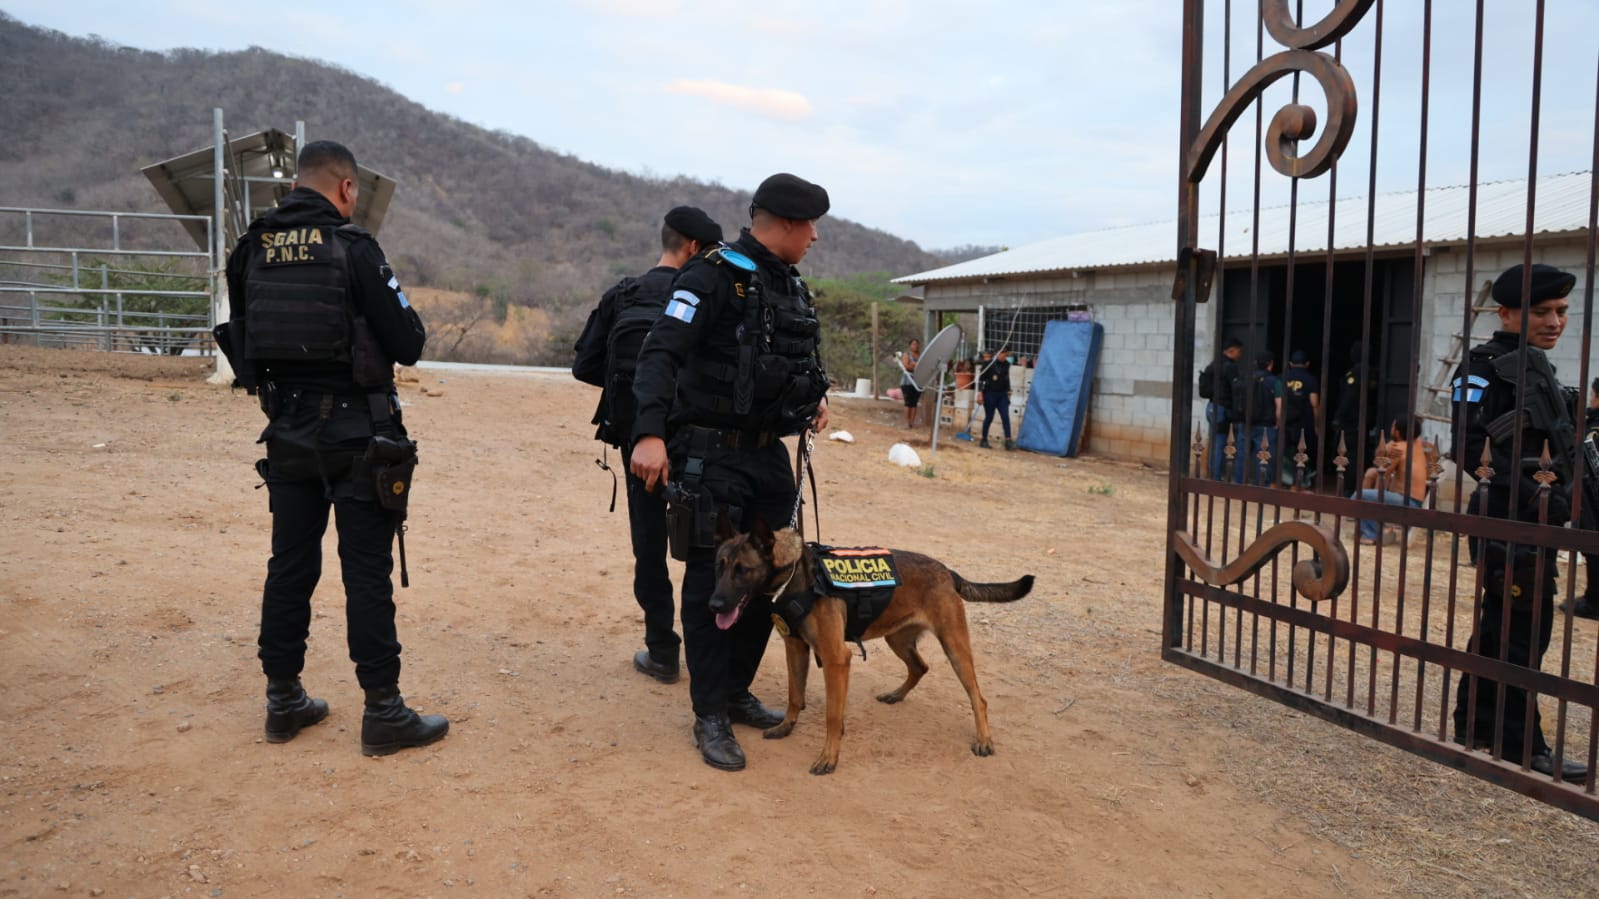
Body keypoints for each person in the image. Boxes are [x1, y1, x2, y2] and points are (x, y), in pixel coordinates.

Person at [219, 140, 447, 756]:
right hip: (357, 435)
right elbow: (409, 342)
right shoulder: (354, 249)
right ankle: (384, 712)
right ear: (346, 189)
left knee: (289, 564)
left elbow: (244, 343)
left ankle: (283, 701)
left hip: (288, 431)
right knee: (364, 571)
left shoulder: (250, 251)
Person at [629, 173, 832, 771]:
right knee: (709, 582)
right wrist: (648, 433)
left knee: (772, 574)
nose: (816, 236)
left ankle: (737, 689)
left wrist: (812, 399)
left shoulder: (786, 285)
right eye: (812, 226)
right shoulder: (712, 275)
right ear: (789, 224)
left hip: (768, 456)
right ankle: (710, 712)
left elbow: (784, 360)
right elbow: (659, 352)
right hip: (711, 455)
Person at [571, 206, 724, 683]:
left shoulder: (624, 294)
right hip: (698, 441)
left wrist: (636, 399)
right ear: (696, 249)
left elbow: (584, 366)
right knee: (710, 549)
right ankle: (712, 659)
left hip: (638, 441)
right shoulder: (705, 296)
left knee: (650, 548)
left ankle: (661, 652)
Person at [1450, 262, 1587, 780]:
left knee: (1499, 627)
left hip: (1533, 517)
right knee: (1523, 633)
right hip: (1508, 517)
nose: (1555, 321)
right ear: (1507, 313)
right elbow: (1469, 445)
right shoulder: (1484, 368)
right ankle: (1521, 746)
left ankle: (1476, 726)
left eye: (1562, 312)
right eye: (1542, 311)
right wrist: (1535, 494)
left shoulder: (1537, 365)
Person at [1349, 418, 1435, 545]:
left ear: (1398, 432)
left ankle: (1374, 534)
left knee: (1358, 495)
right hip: (1415, 502)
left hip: (1407, 502)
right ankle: (1379, 529)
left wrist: (1386, 450)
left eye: (1393, 426)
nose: (1391, 428)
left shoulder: (1398, 449)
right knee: (1370, 494)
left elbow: (1384, 473)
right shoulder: (1416, 443)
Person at [1562, 377, 1599, 620]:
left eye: (1593, 396)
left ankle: (1594, 602)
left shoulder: (1593, 426)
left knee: (1593, 547)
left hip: (1593, 495)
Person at [1233, 351, 1284, 485]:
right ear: (1271, 364)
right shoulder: (1275, 382)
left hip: (1245, 422)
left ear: (1255, 363)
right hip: (1266, 425)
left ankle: (1239, 484)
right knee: (1263, 457)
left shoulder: (1245, 378)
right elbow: (1280, 406)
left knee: (1242, 456)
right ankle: (1262, 487)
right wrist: (1278, 422)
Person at [1198, 337, 1244, 479]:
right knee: (1219, 444)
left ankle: (1213, 475)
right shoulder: (1229, 366)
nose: (1240, 354)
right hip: (1222, 409)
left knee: (1216, 442)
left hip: (1212, 407)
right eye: (1239, 351)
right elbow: (1236, 390)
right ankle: (1215, 479)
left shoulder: (1213, 364)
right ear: (1231, 350)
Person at [1281, 348, 1320, 489]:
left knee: (1284, 451)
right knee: (1302, 451)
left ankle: (1283, 481)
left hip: (1285, 420)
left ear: (1290, 363)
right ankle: (1298, 483)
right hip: (1304, 420)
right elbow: (1314, 403)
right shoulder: (1310, 379)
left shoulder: (1283, 376)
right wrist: (1316, 424)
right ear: (1307, 364)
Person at [979, 348, 1013, 450]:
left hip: (1002, 394)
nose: (1005, 358)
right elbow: (981, 379)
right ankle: (984, 439)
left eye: (1007, 356)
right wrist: (980, 393)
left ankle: (1008, 440)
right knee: (989, 417)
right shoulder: (988, 364)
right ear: (998, 353)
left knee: (1005, 417)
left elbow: (1006, 378)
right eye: (1004, 355)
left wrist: (1008, 391)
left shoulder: (1006, 364)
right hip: (990, 393)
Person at [900, 337, 923, 429]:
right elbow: (906, 366)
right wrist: (914, 366)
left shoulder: (921, 356)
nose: (916, 346)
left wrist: (914, 365)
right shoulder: (907, 355)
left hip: (918, 382)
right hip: (908, 382)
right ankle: (907, 422)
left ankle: (912, 422)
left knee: (914, 403)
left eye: (917, 344)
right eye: (913, 344)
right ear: (910, 345)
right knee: (908, 402)